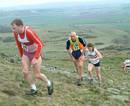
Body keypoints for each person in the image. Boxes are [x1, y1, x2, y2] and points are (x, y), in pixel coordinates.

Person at [11, 19, 53, 95]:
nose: (13, 30)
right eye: (12, 28)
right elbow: (19, 45)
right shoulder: (16, 33)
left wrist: (35, 57)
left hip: (35, 53)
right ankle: (33, 89)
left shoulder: (29, 32)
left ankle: (49, 83)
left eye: (14, 28)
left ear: (20, 26)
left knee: (37, 74)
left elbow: (40, 44)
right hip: (26, 53)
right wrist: (22, 56)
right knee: (25, 72)